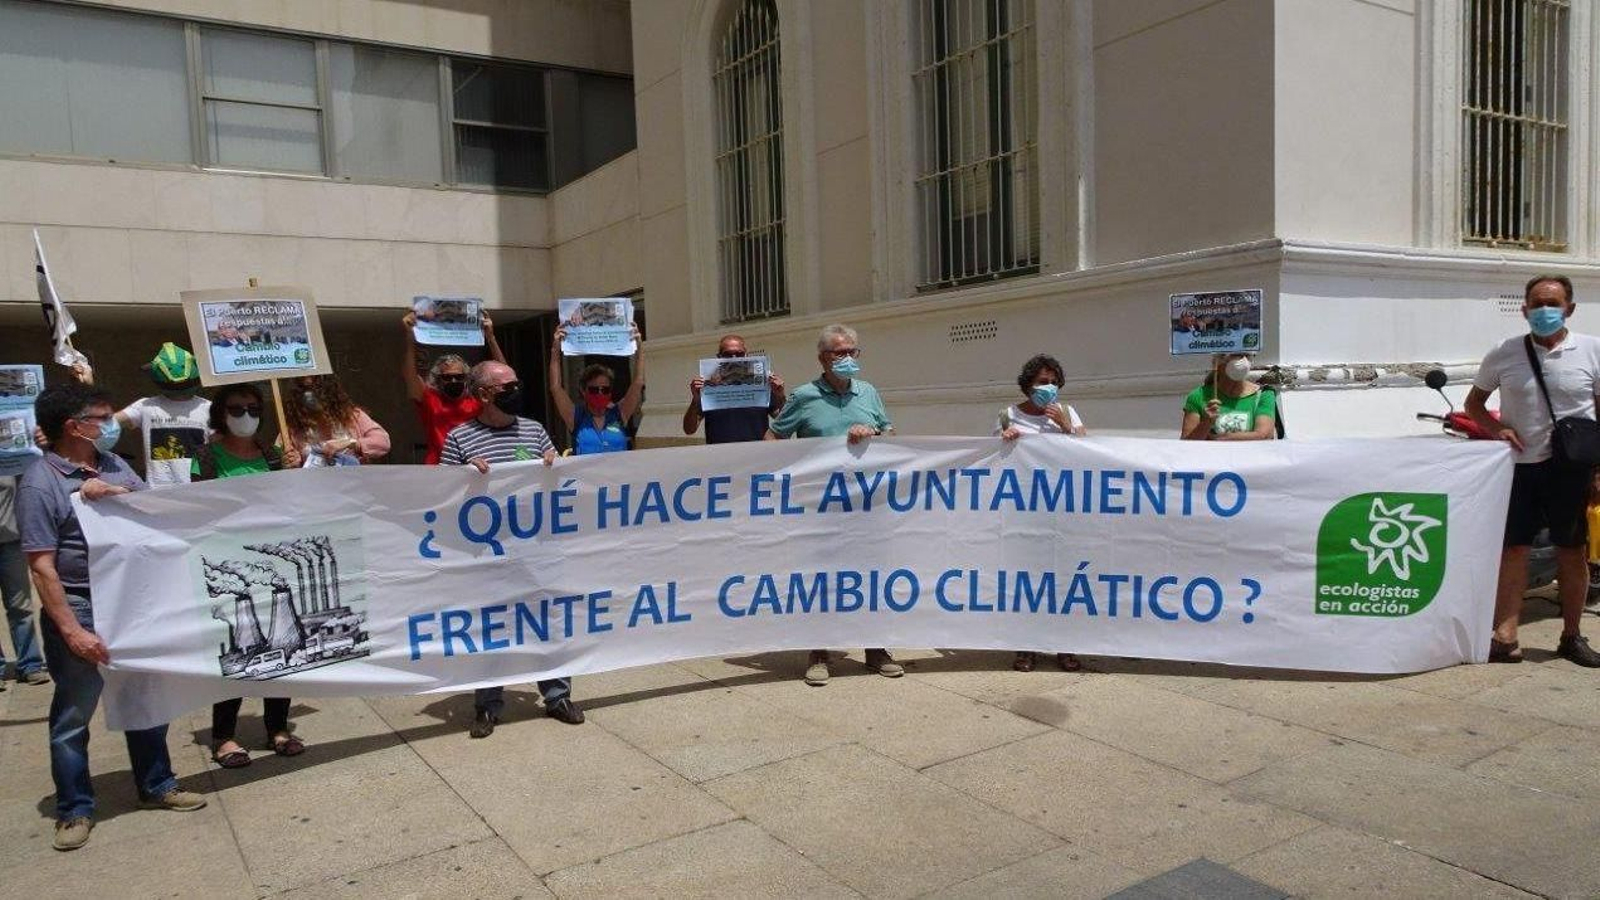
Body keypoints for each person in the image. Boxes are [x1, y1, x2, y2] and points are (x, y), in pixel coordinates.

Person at [19, 383, 207, 851]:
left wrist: (115, 493)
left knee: (146, 699)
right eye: (101, 418)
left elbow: (151, 512)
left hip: (130, 602)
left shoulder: (114, 465)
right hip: (82, 605)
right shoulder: (40, 483)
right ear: (73, 426)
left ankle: (157, 784)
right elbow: (42, 567)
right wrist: (72, 631)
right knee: (73, 716)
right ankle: (75, 810)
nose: (109, 425)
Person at [440, 361, 585, 738]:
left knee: (549, 622)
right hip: (488, 554)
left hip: (537, 548)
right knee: (492, 629)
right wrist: (462, 476)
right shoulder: (460, 439)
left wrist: (554, 466)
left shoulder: (535, 431)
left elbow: (558, 483)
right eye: (507, 385)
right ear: (483, 393)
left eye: (516, 382)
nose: (516, 389)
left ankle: (557, 695)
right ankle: (487, 706)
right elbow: (439, 498)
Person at [1465, 274, 1600, 667]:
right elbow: (1474, 403)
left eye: (1553, 303)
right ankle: (1506, 636)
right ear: (1524, 310)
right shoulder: (1504, 353)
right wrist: (1497, 429)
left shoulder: (1592, 351)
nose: (1544, 311)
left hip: (1571, 469)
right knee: (1514, 549)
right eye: (1537, 304)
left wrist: (1597, 472)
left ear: (1569, 309)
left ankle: (1571, 635)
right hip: (1519, 468)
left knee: (1572, 552)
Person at [765, 323, 901, 685]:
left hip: (867, 505)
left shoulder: (869, 393)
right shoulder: (804, 396)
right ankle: (819, 652)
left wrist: (873, 434)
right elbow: (773, 438)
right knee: (821, 579)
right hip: (820, 509)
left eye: (851, 352)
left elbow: (890, 435)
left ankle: (875, 649)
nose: (846, 359)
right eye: (838, 353)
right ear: (822, 358)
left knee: (870, 576)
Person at [189, 383, 304, 766]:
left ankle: (278, 727)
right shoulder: (204, 457)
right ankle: (224, 736)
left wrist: (294, 473)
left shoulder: (272, 455)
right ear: (220, 413)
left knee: (283, 641)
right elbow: (198, 509)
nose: (245, 416)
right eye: (236, 409)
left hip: (269, 559)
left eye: (253, 408)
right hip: (226, 561)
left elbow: (290, 504)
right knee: (239, 647)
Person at [997, 354, 1085, 673]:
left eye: (1052, 382)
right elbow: (993, 458)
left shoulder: (1068, 413)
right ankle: (1027, 646)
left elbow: (1089, 452)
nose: (1048, 388)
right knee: (1027, 579)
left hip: (1062, 508)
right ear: (1027, 386)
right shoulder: (1008, 414)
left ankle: (1064, 644)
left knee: (1063, 578)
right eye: (1041, 383)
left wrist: (1065, 426)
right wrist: (1004, 441)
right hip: (1024, 510)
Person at [73, 343, 211, 486]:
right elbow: (103, 423)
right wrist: (87, 386)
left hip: (198, 492)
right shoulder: (145, 406)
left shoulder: (209, 409)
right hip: (158, 496)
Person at [401, 308, 506, 464]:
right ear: (438, 379)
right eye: (447, 377)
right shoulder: (429, 399)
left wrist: (491, 338)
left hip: (475, 467)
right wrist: (410, 336)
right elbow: (409, 375)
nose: (454, 381)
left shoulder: (477, 400)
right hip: (439, 469)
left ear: (467, 378)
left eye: (459, 377)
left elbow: (503, 378)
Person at [549, 324, 645, 455]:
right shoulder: (576, 417)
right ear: (583, 390)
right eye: (594, 390)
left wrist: (639, 346)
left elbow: (638, 383)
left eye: (604, 390)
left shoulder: (619, 414)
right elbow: (556, 387)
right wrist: (555, 349)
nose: (600, 393)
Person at [682, 334, 787, 443]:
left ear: (746, 355)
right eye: (727, 354)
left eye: (739, 354)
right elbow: (689, 429)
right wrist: (695, 399)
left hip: (756, 454)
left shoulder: (761, 385)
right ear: (719, 357)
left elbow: (784, 421)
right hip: (720, 455)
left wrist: (781, 397)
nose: (734, 358)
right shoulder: (709, 388)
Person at [279, 374, 390, 468]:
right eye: (304, 390)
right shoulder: (294, 428)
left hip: (354, 486)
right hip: (316, 488)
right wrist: (293, 462)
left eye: (315, 389)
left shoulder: (352, 416)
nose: (310, 396)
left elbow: (383, 442)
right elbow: (291, 464)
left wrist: (351, 443)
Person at [1, 474, 48, 686]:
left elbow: (31, 483)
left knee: (20, 605)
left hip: (11, 542)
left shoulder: (10, 454)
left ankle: (30, 665)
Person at [1179, 353, 1277, 441]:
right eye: (1236, 355)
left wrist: (1216, 438)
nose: (1243, 360)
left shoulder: (1263, 394)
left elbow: (1263, 436)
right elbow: (1187, 444)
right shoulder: (1199, 396)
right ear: (1219, 361)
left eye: (1247, 355)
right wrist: (1206, 423)